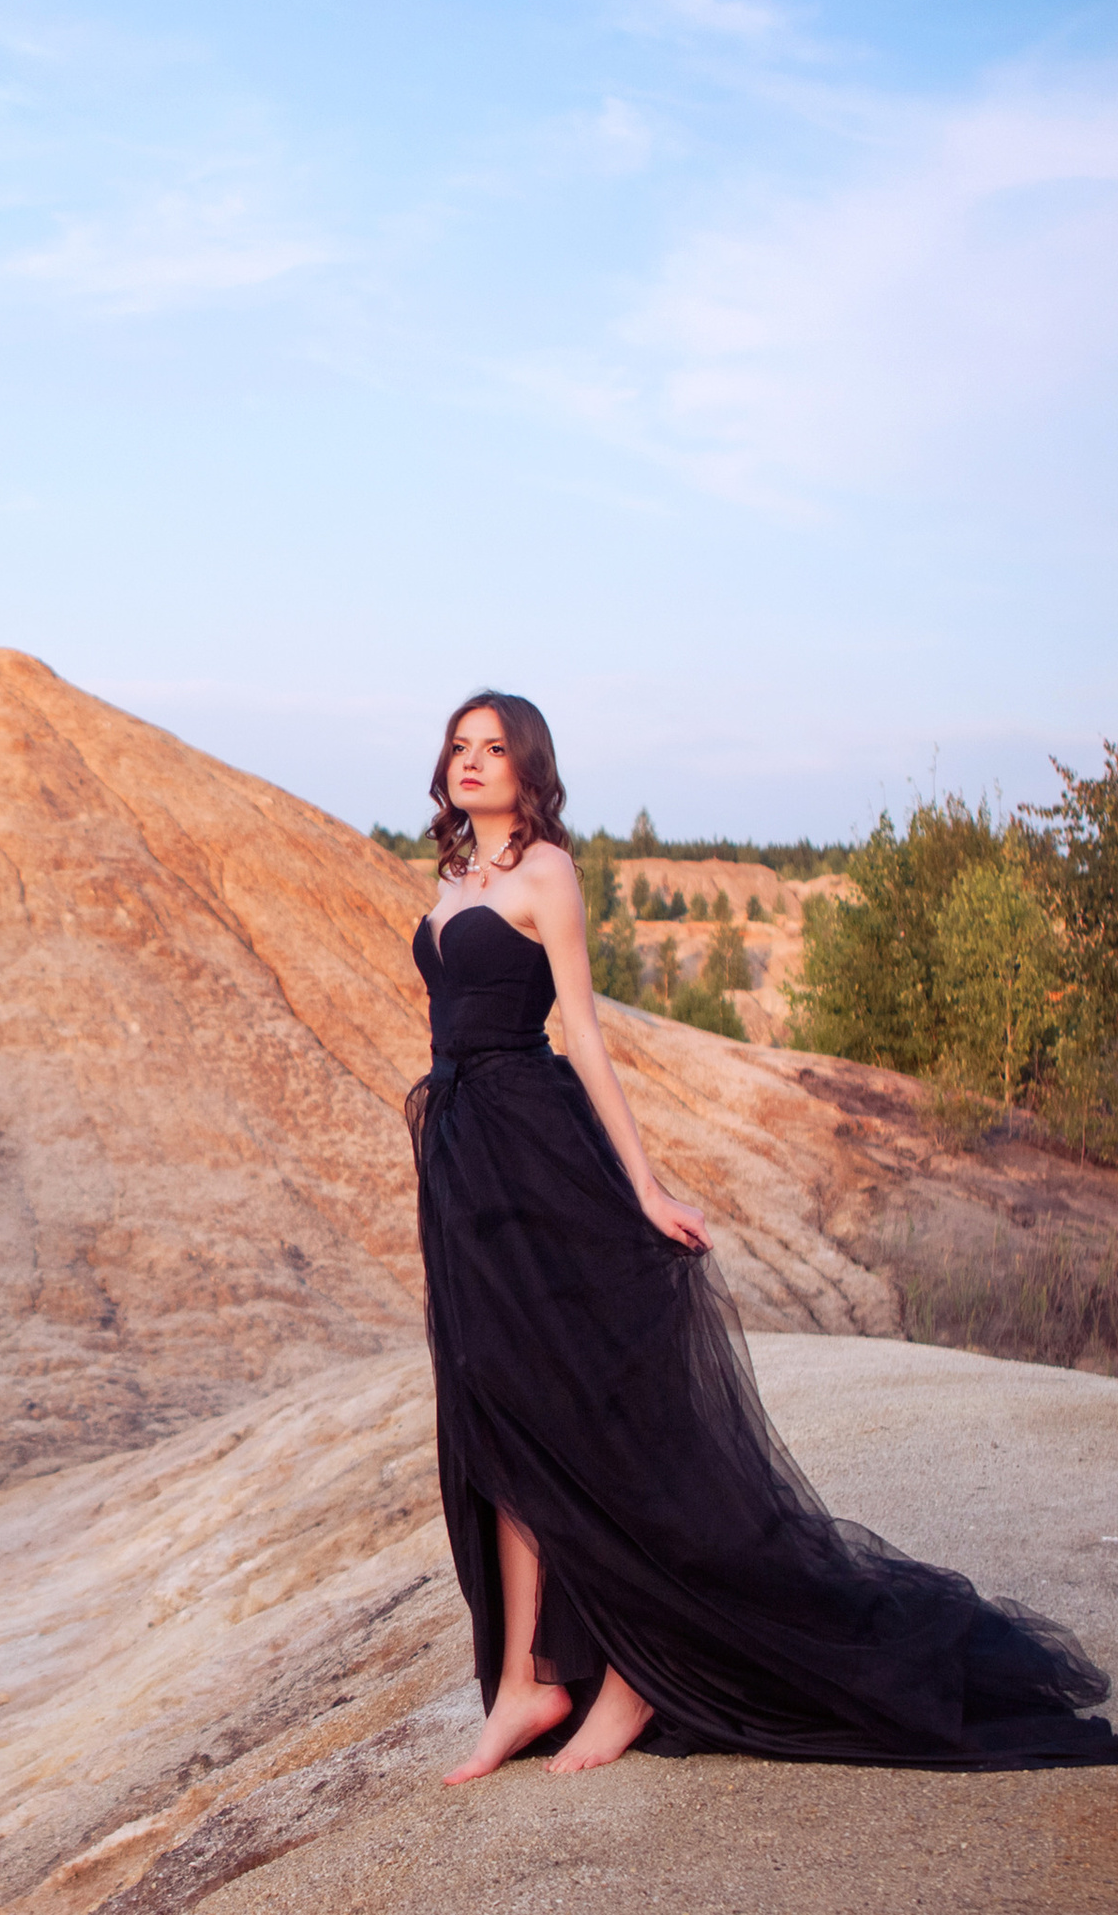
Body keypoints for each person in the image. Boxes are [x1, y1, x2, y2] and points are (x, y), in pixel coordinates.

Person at [407, 693, 1116, 1783]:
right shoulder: (453, 878)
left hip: (536, 1155)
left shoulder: (547, 872)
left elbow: (586, 1042)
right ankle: (524, 1682)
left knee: (581, 1424)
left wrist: (642, 1188)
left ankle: (638, 1673)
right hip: (462, 1167)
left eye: (492, 748)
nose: (470, 762)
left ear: (528, 765)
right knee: (497, 1426)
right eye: (459, 747)